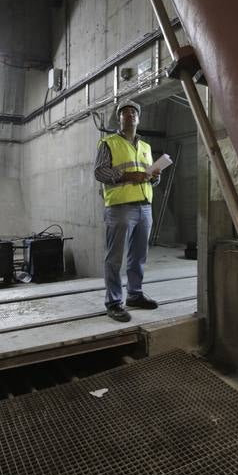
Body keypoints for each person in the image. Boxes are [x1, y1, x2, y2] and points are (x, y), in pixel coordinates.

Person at [94, 100, 161, 321]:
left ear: (139, 118)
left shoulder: (146, 147)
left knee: (139, 256)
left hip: (144, 206)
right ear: (119, 119)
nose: (130, 114)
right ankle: (113, 302)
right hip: (120, 207)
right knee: (114, 258)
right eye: (125, 112)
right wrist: (126, 176)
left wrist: (154, 177)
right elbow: (100, 172)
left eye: (134, 112)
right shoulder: (108, 142)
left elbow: (147, 178)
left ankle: (135, 294)